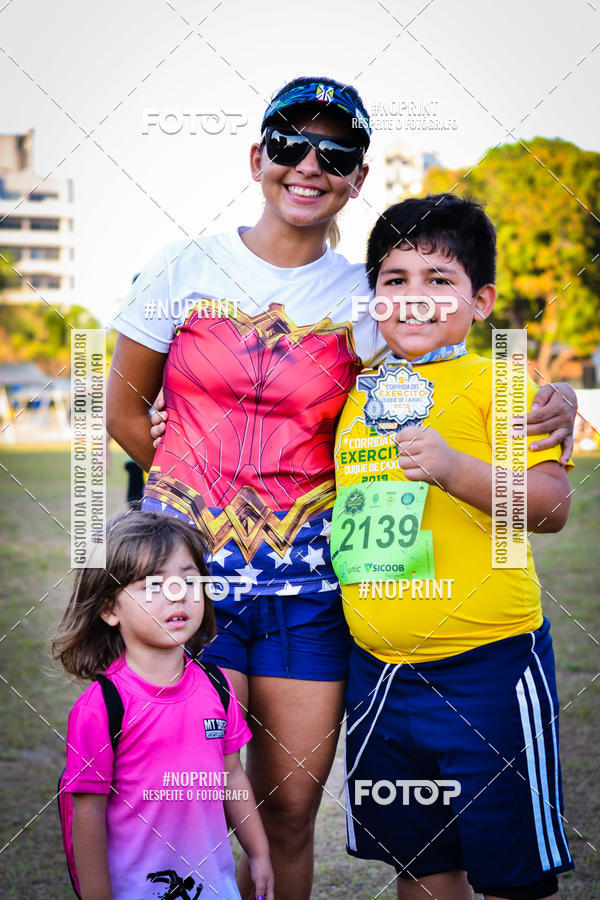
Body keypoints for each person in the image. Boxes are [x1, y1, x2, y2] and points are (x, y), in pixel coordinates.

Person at [106, 75, 577, 900]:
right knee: (185, 804)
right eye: (290, 143)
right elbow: (119, 399)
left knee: (289, 814)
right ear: (258, 157)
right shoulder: (185, 266)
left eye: (337, 151)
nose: (309, 163)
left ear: (359, 177)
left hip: (311, 597)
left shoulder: (365, 304)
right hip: (191, 592)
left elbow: (447, 357)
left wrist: (549, 394)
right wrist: (182, 493)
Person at [334, 195, 574, 900]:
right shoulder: (360, 392)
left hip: (487, 672)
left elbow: (552, 505)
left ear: (481, 301)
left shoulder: (496, 381)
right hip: (378, 677)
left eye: (439, 279)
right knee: (422, 865)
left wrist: (454, 470)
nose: (413, 298)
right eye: (394, 279)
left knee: (508, 875)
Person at [53, 510, 273, 900]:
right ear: (109, 609)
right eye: (153, 584)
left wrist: (258, 853)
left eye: (189, 580)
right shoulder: (102, 708)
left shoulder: (219, 688)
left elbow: (232, 777)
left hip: (214, 887)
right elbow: (85, 812)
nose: (178, 594)